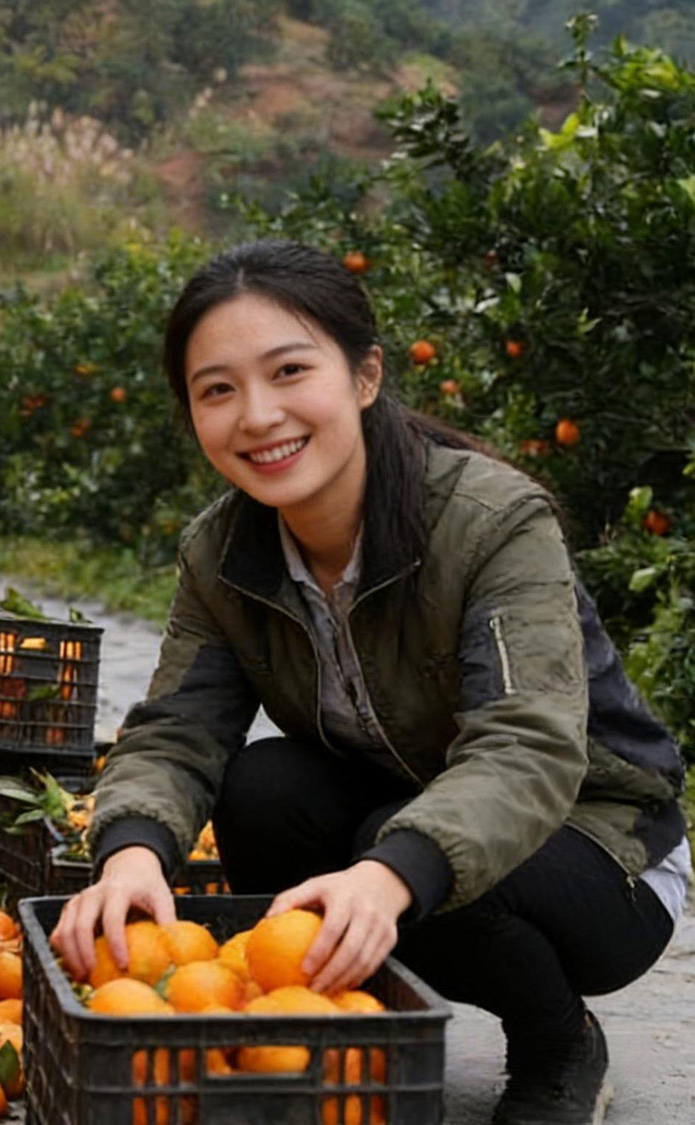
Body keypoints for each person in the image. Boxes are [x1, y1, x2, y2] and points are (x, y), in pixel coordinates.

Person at [50, 240, 687, 1125]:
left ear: (365, 375)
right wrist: (127, 851)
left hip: (603, 847)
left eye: (289, 371)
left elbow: (529, 745)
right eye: (218, 388)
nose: (258, 415)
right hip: (410, 805)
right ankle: (344, 1028)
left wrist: (392, 872)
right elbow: (178, 727)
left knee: (399, 842)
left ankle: (559, 1043)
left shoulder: (490, 520)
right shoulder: (222, 551)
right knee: (260, 789)